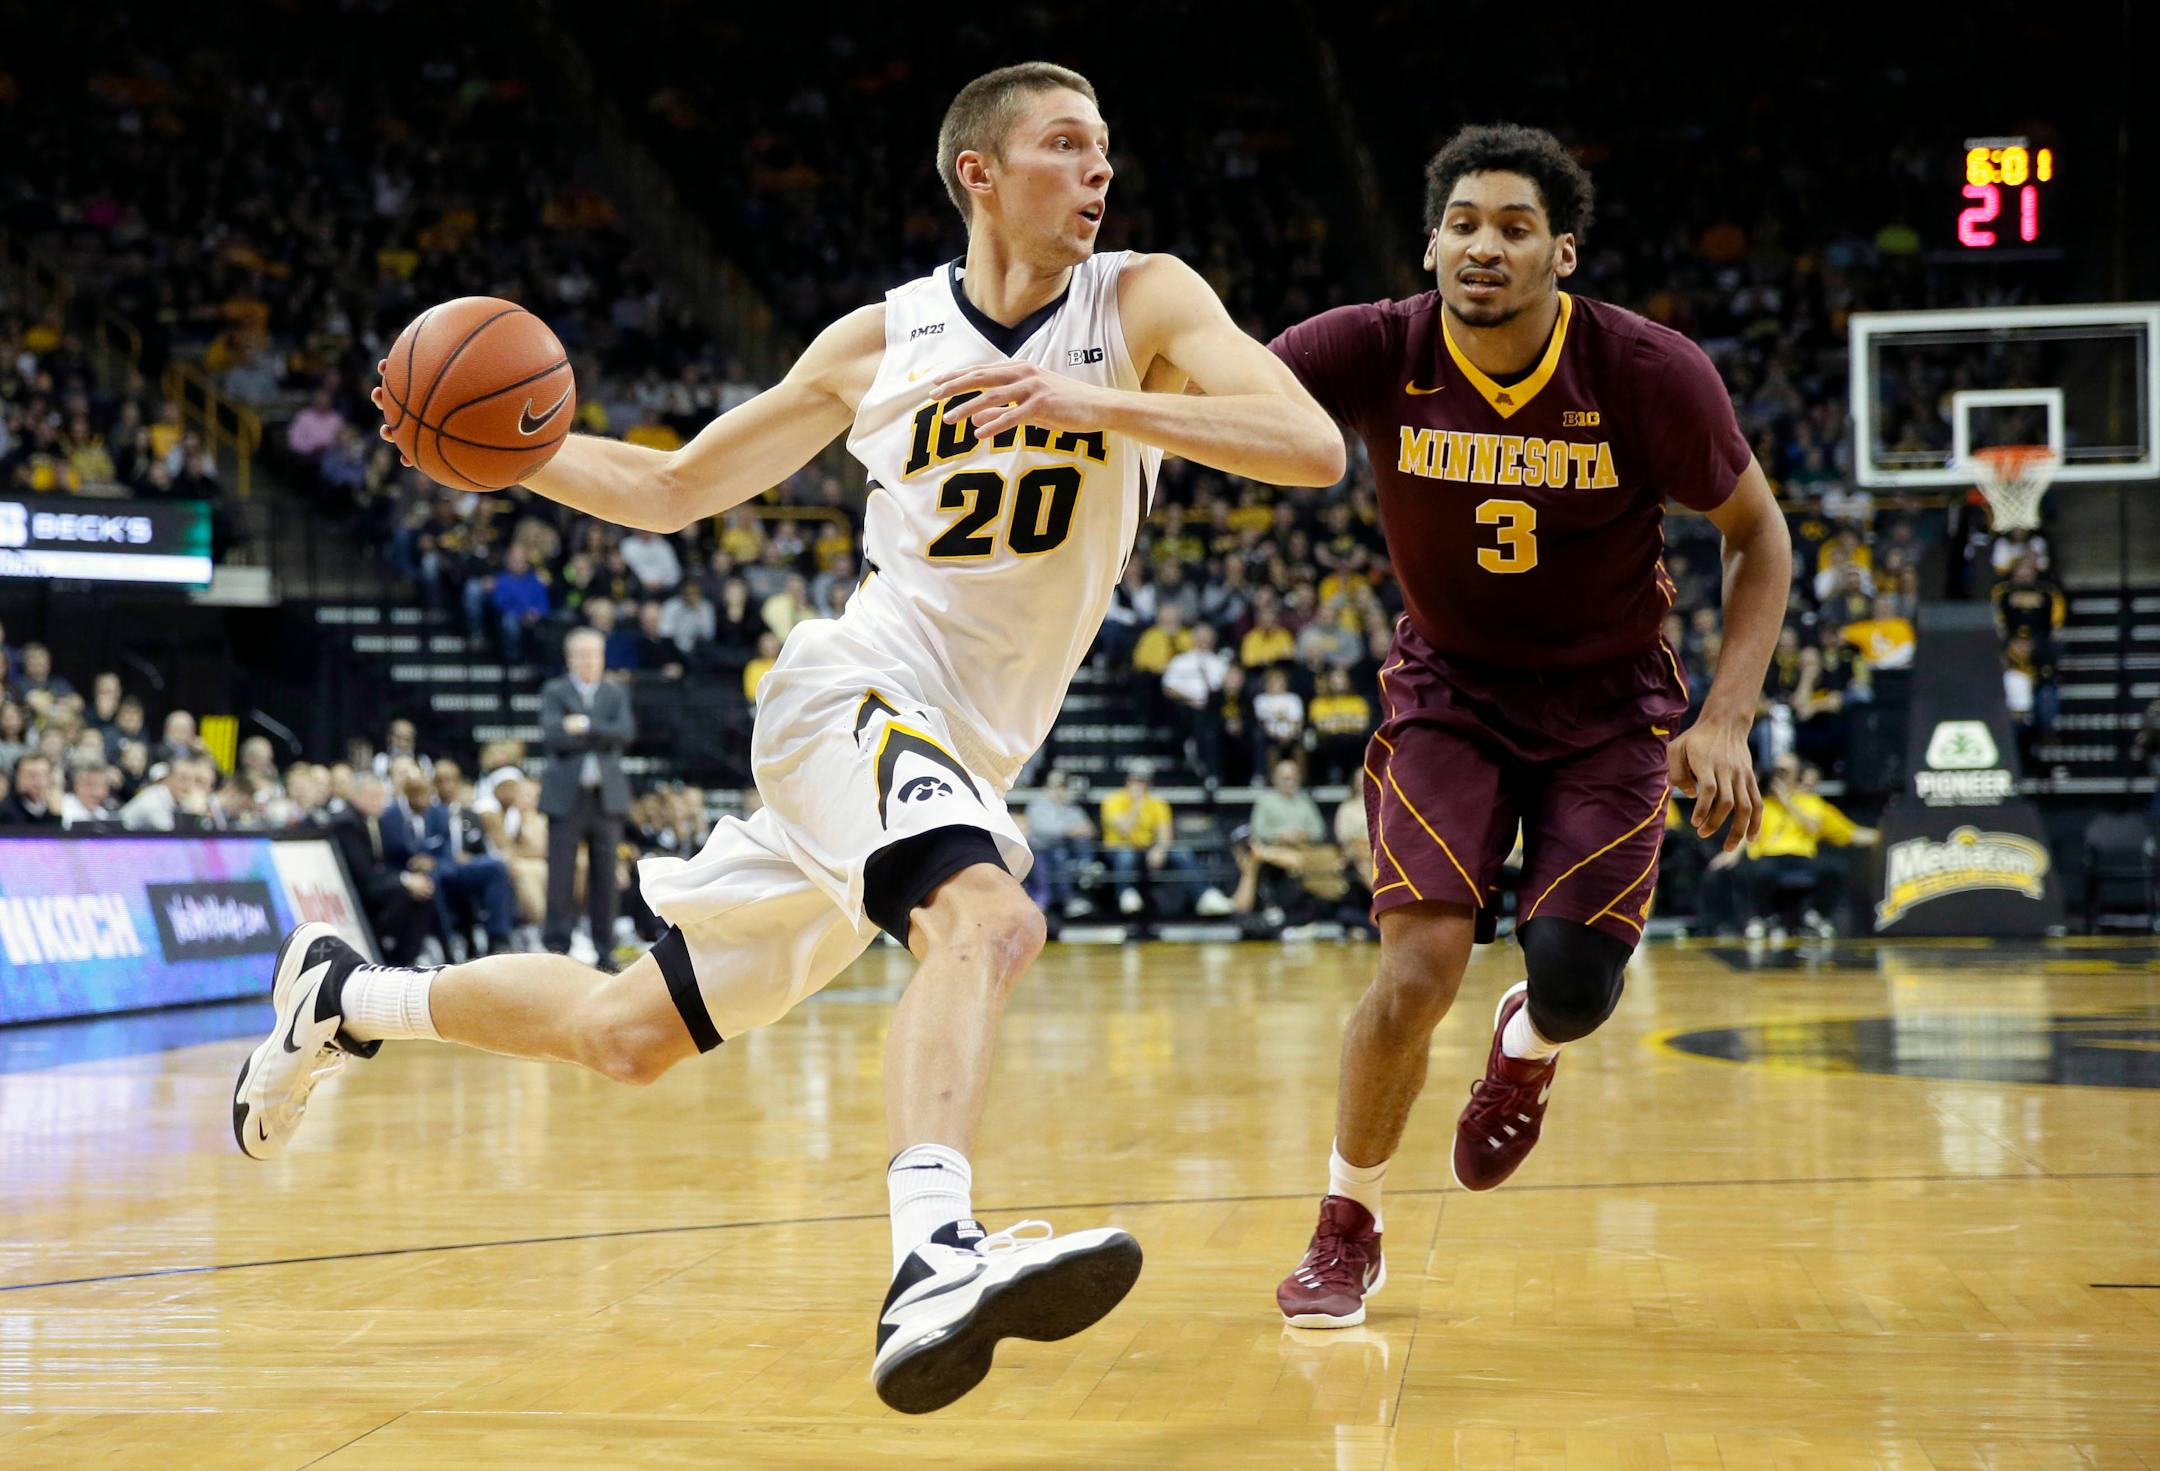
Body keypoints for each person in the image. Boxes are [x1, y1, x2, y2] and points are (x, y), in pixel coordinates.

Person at [238, 59, 1341, 1415]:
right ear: (979, 173)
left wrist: (1100, 405)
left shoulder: (1145, 302)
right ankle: (935, 1247)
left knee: (625, 1031)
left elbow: (1308, 443)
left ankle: (344, 998)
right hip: (856, 694)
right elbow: (675, 484)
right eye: (1068, 145)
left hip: (960, 747)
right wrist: (508, 451)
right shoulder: (881, 343)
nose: (1101, 169)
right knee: (986, 917)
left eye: (1107, 146)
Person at [1267, 123, 1790, 1327]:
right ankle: (1348, 1223)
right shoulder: (1372, 346)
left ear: (1563, 255)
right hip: (1448, 688)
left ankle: (1530, 1045)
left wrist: (1724, 717)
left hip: (1612, 708)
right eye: (1461, 224)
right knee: (1419, 962)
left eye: (1513, 229)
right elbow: (1216, 387)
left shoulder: (1649, 371)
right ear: (1431, 241)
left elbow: (1759, 537)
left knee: (1571, 979)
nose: (1482, 248)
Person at [537, 628, 635, 959]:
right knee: (561, 875)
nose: (590, 661)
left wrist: (585, 726)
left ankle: (605, 948)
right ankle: (556, 946)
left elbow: (624, 733)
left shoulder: (615, 692)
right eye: (583, 654)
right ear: (570, 658)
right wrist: (598, 734)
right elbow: (553, 737)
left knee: (606, 878)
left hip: (606, 799)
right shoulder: (555, 690)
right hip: (566, 799)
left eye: (595, 654)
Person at [1022, 768, 1097, 917]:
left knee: (1080, 843)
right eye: (1056, 786)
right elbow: (1043, 830)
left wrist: (1068, 831)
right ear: (1047, 787)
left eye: (1062, 786)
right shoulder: (1037, 805)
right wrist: (1068, 830)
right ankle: (1055, 900)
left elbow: (1089, 828)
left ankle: (1084, 867)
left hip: (1064, 848)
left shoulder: (1070, 806)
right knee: (1057, 855)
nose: (1059, 790)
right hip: (1039, 849)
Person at [2, 753, 61, 826]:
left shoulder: (55, 807)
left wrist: (56, 815)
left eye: (43, 775)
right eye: (31, 775)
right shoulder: (4, 810)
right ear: (17, 777)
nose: (38, 781)